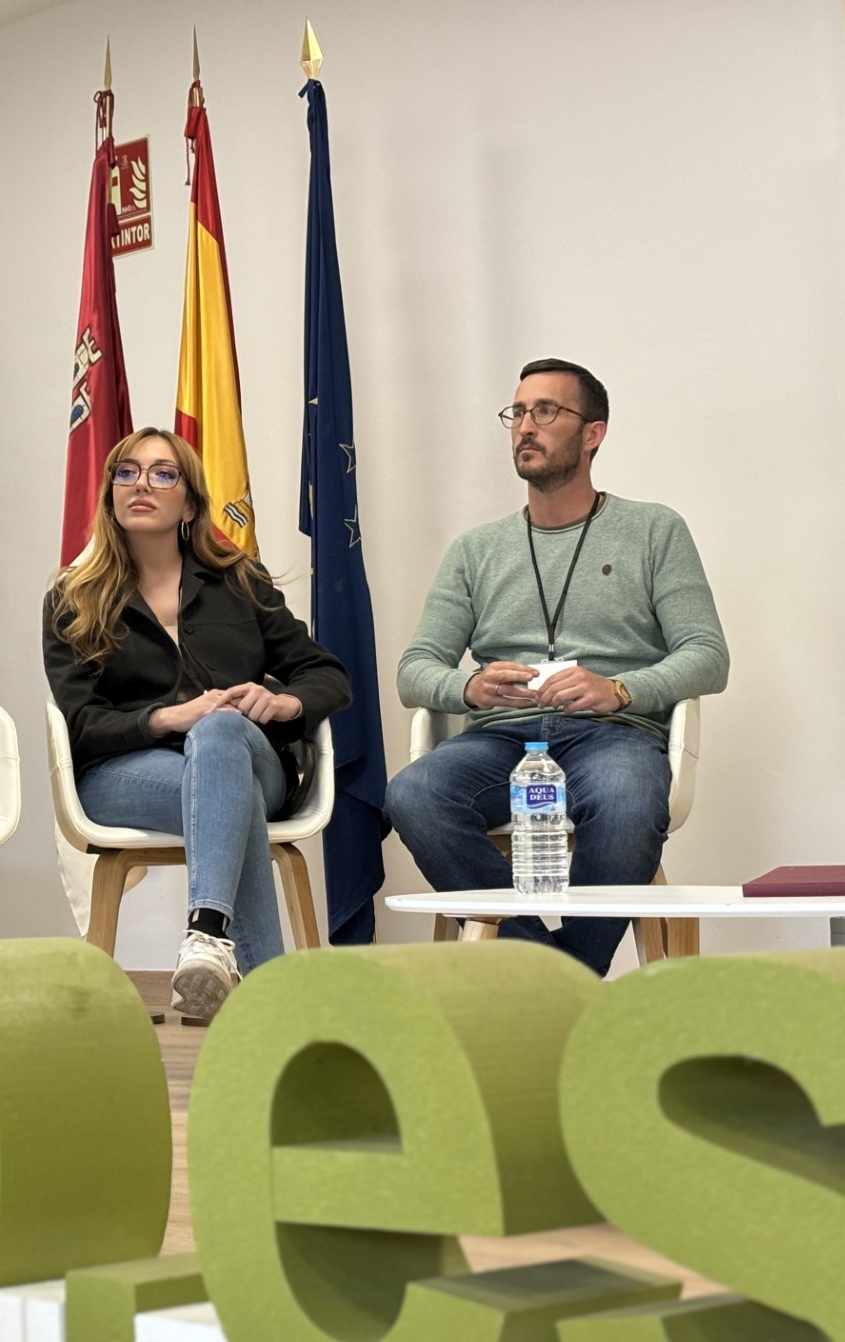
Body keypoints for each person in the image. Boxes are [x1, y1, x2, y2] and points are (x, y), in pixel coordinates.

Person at [386, 358, 727, 975]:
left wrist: (620, 689)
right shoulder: (474, 551)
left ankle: (557, 982)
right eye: (517, 413)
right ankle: (552, 977)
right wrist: (471, 686)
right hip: (500, 741)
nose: (525, 426)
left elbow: (707, 655)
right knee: (414, 793)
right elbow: (415, 669)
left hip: (614, 736)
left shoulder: (653, 530)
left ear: (593, 433)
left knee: (627, 800)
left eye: (546, 411)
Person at [43, 427, 350, 1019]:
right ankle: (263, 996)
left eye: (163, 474)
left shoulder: (238, 581)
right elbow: (81, 723)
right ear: (110, 495)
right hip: (122, 777)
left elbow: (326, 674)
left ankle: (208, 935)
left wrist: (283, 704)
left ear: (189, 505)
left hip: (252, 762)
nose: (141, 484)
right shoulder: (73, 598)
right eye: (127, 472)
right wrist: (164, 718)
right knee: (233, 799)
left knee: (221, 732)